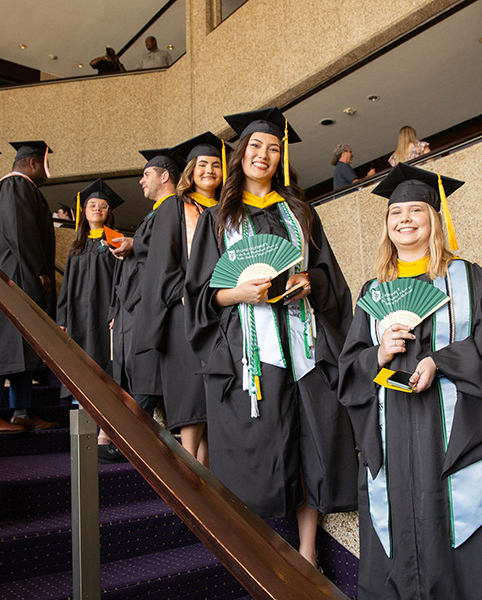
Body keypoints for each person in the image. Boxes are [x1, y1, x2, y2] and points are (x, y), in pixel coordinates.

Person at [338, 163, 482, 600]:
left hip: (458, 435)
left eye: (416, 211)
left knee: (463, 543)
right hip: (396, 440)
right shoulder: (373, 290)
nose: (405, 219)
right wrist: (378, 353)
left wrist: (441, 361)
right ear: (387, 225)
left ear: (435, 220)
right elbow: (348, 370)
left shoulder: (469, 278)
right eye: (396, 213)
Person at [184, 108, 358, 567]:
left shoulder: (300, 211)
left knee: (307, 446)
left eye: (274, 148)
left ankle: (306, 550)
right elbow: (200, 294)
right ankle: (255, 548)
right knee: (255, 450)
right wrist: (238, 292)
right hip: (249, 355)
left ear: (282, 157)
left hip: (303, 350)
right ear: (241, 154)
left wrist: (309, 285)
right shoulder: (218, 218)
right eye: (256, 146)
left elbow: (329, 279)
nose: (264, 155)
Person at [135, 132, 228, 467]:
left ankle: (207, 477)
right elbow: (163, 260)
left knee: (213, 398)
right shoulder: (177, 205)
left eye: (216, 164)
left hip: (220, 311)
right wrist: (185, 296)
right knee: (191, 394)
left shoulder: (227, 210)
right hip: (184, 312)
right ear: (190, 170)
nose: (209, 170)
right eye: (202, 164)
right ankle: (189, 468)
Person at [0, 140, 59, 433]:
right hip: (14, 276)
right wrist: (40, 270)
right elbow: (20, 233)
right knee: (5, 346)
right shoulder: (14, 186)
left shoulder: (14, 189)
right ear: (33, 163)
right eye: (45, 165)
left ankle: (21, 411)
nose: (48, 173)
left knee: (21, 345)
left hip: (16, 275)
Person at [107, 149, 180, 423]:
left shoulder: (173, 206)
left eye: (146, 174)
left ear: (164, 176)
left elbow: (167, 248)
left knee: (147, 371)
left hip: (151, 303)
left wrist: (133, 243)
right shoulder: (155, 213)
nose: (141, 180)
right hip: (135, 304)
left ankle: (126, 431)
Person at [56, 178, 123, 460]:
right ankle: (84, 433)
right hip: (78, 319)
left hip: (104, 317)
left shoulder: (115, 240)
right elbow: (67, 287)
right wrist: (61, 318)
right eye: (92, 205)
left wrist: (116, 312)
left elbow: (122, 281)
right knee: (80, 372)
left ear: (109, 212)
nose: (97, 209)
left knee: (104, 372)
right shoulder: (76, 246)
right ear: (84, 211)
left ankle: (104, 433)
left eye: (103, 206)